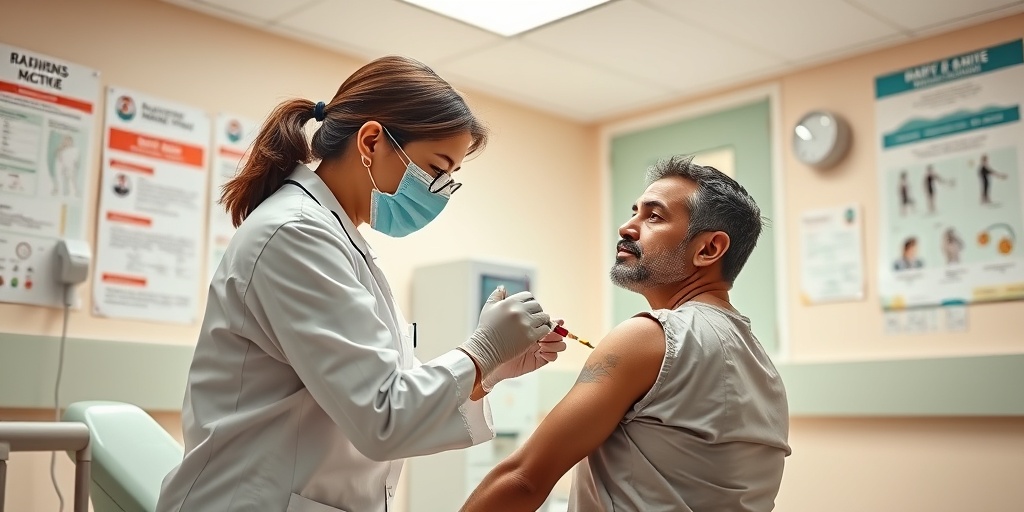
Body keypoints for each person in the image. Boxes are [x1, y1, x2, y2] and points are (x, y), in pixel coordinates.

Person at [155, 56, 566, 512]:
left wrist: (488, 372)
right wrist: (481, 352)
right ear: (371, 141)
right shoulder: (295, 234)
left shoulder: (337, 239)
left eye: (450, 179)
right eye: (435, 169)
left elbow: (391, 392)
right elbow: (383, 416)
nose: (439, 192)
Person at [461, 156, 791, 512]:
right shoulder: (761, 364)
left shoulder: (649, 336)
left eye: (654, 216)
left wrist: (484, 362)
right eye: (634, 212)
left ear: (709, 249)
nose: (627, 227)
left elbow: (524, 479)